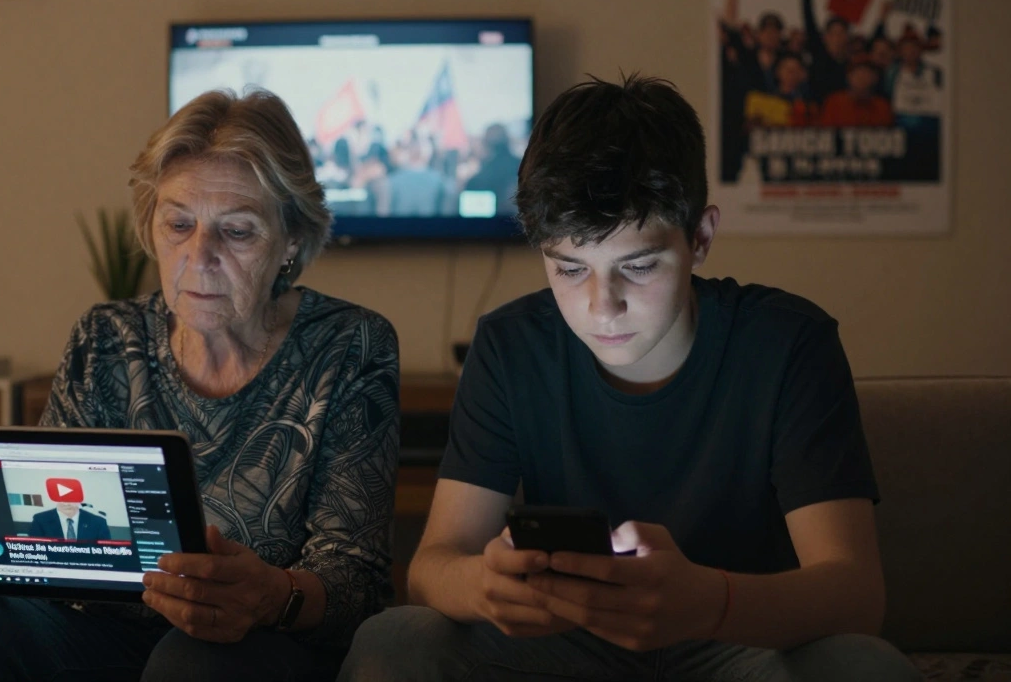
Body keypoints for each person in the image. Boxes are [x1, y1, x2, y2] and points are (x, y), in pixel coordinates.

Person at [338, 75, 920, 681]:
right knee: (393, 641)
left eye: (638, 267)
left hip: (740, 641)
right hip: (565, 645)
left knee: (865, 668)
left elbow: (856, 594)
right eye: (570, 270)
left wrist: (712, 602)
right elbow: (432, 567)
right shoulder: (510, 345)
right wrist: (484, 585)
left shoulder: (789, 342)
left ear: (701, 238)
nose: (602, 307)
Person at [0, 89, 401, 682]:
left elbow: (356, 580)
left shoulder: (350, 345)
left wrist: (272, 595)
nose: (199, 255)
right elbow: (47, 546)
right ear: (152, 225)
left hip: (256, 640)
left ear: (290, 241)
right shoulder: (105, 337)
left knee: (190, 662)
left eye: (237, 231)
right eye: (179, 224)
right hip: (100, 630)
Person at [819, 54, 894, 127]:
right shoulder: (834, 103)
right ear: (848, 76)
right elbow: (825, 131)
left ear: (875, 78)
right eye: (857, 72)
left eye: (866, 72)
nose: (861, 77)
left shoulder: (882, 107)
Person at [28, 500, 111, 543]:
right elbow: (35, 549)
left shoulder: (98, 522)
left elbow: (106, 551)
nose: (67, 504)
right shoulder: (40, 520)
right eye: (62, 499)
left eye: (71, 499)